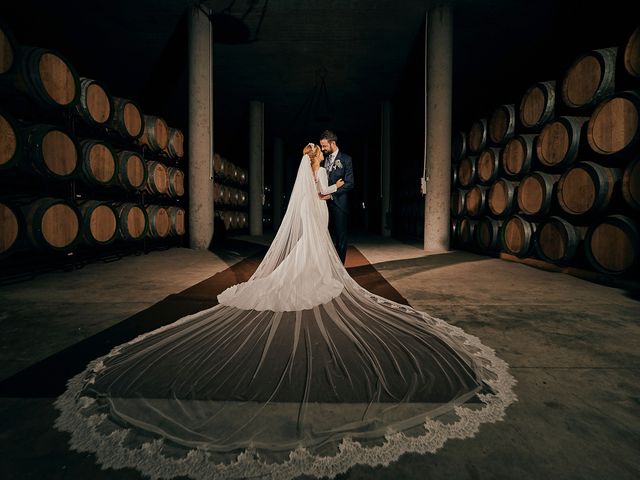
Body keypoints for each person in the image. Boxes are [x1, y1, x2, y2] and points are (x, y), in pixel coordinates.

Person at [54, 143, 516, 480]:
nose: (321, 152)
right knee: (315, 263)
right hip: (320, 211)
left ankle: (317, 269)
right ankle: (319, 271)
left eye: (320, 149)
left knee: (313, 257)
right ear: (315, 156)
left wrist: (326, 187)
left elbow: (320, 191)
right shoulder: (314, 171)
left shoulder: (312, 169)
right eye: (318, 150)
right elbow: (318, 195)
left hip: (320, 210)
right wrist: (326, 188)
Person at [319, 130, 353, 264]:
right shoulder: (324, 159)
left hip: (339, 205)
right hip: (323, 205)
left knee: (340, 239)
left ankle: (340, 269)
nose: (322, 149)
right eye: (321, 146)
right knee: (325, 237)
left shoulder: (346, 159)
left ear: (332, 143)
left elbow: (350, 183)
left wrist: (331, 196)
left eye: (324, 146)